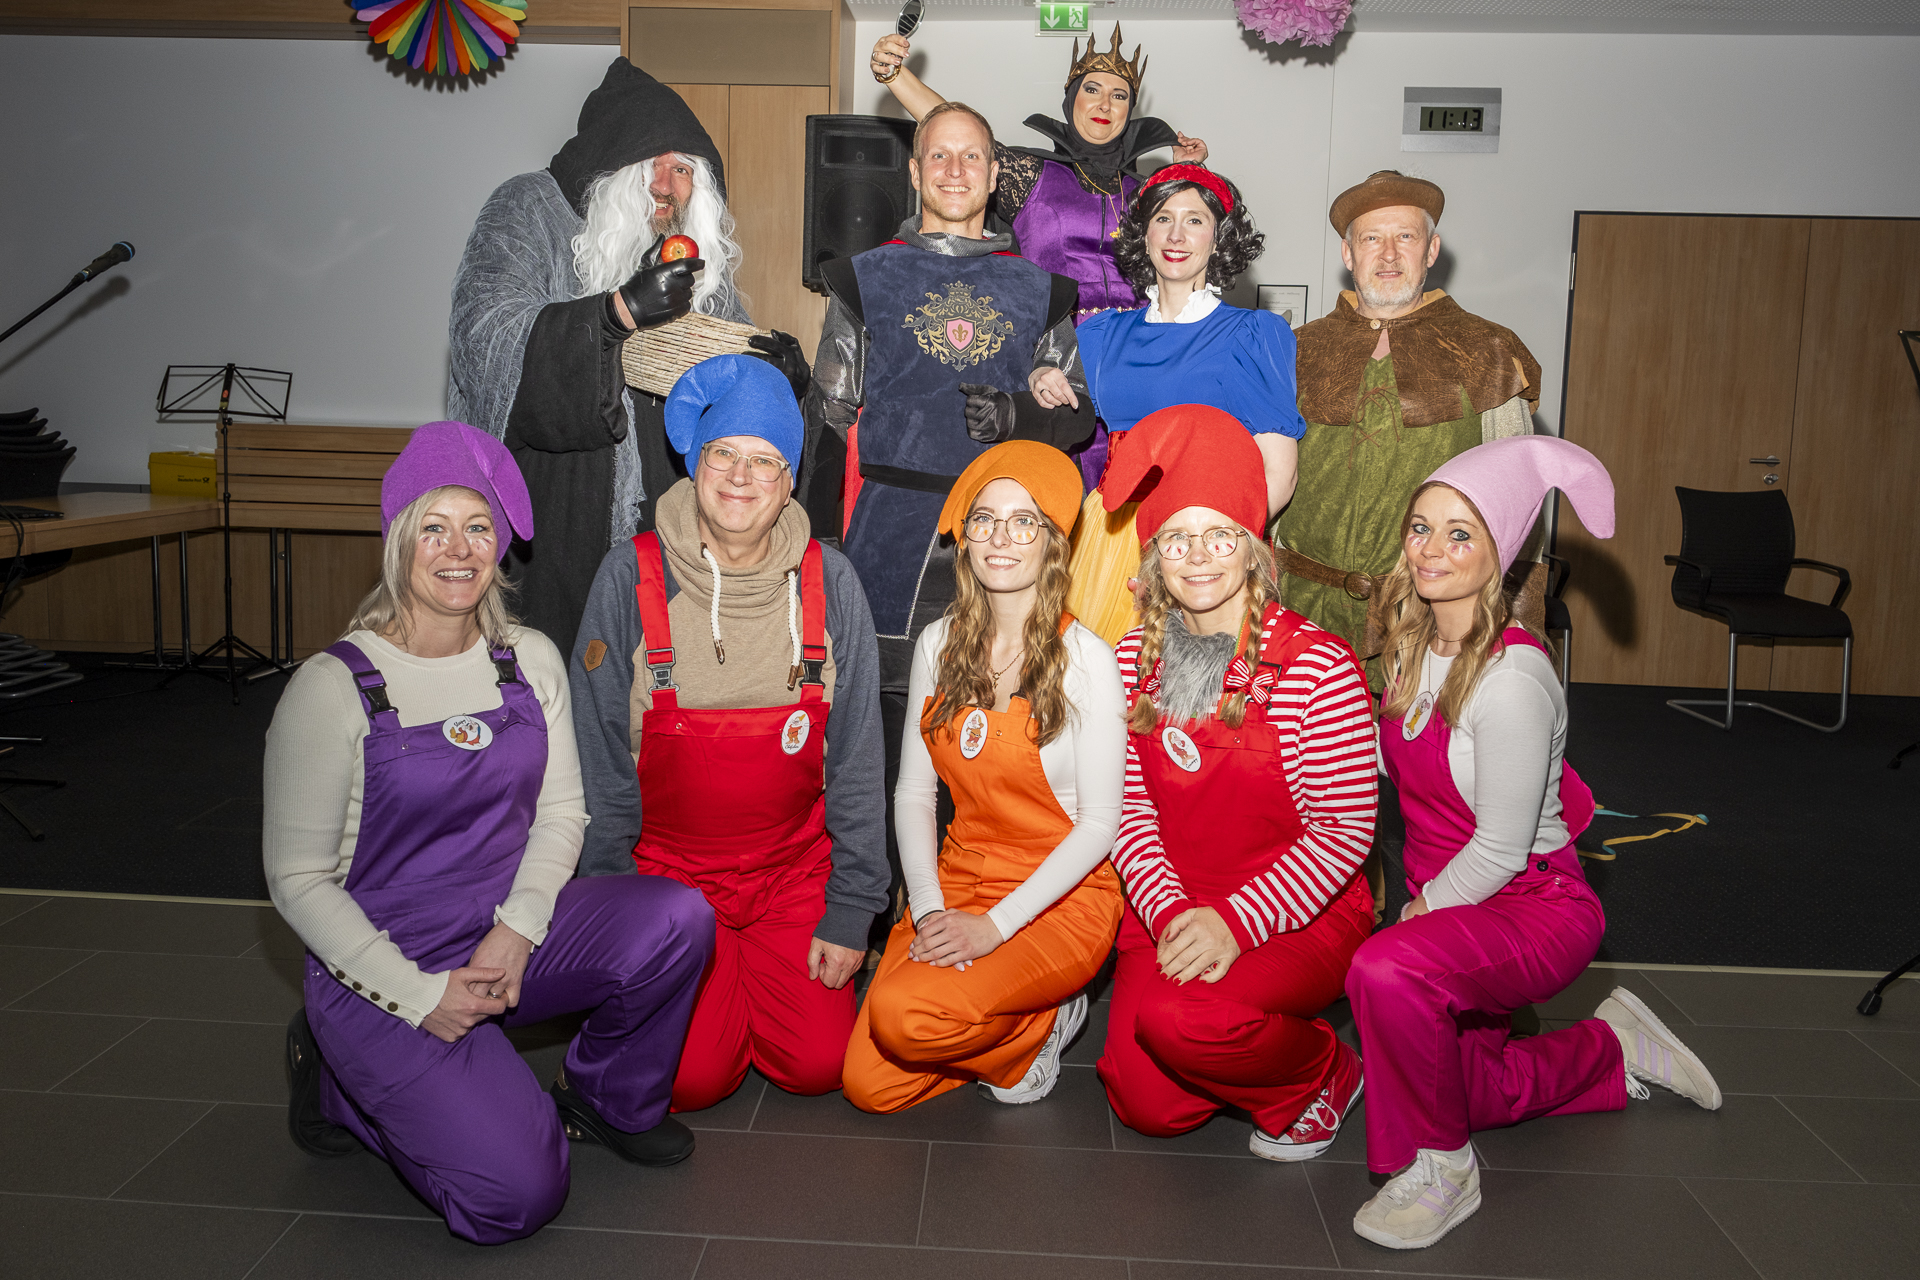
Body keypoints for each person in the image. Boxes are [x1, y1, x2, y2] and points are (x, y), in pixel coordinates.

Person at [266, 422, 714, 1245]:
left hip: (508, 930)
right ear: (400, 538)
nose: (458, 549)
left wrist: (516, 932)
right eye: (433, 527)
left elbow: (562, 814)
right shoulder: (330, 688)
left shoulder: (530, 660)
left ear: (500, 547)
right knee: (515, 1198)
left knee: (676, 919)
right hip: (384, 962)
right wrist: (419, 995)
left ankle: (608, 1098)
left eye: (478, 528)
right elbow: (297, 881)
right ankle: (339, 1081)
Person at [1346, 436, 1721, 1250]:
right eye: (1420, 527)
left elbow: (1502, 848)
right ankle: (1612, 1049)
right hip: (1459, 908)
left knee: (1384, 969)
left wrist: (1415, 917)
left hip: (1534, 906)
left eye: (1460, 533)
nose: (1431, 549)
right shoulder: (1413, 649)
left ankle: (1444, 1172)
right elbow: (1378, 766)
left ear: (1500, 551)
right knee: (1466, 1091)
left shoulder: (1513, 679)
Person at [569, 355, 888, 1112]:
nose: (741, 478)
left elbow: (858, 767)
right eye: (724, 455)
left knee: (820, 1065)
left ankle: (745, 988)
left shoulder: (830, 582)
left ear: (788, 483)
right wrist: (614, 912)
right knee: (692, 1083)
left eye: (765, 462)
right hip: (670, 885)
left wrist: (851, 912)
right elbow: (599, 763)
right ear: (694, 462)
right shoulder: (629, 576)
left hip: (792, 877)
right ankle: (701, 1005)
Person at [812, 101, 1092, 917]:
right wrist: (821, 546)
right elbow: (830, 421)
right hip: (891, 532)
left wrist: (1023, 417)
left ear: (995, 174)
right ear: (914, 169)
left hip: (1004, 539)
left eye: (973, 157)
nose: (956, 171)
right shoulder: (865, 278)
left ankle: (992, 899)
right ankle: (887, 903)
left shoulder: (1040, 291)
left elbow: (1076, 413)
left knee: (1000, 717)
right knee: (886, 718)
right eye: (940, 156)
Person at [448, 57, 810, 658]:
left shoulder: (691, 257)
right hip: (556, 520)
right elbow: (486, 343)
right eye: (655, 166)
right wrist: (614, 314)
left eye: (685, 169)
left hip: (672, 534)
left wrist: (775, 378)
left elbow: (727, 390)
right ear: (615, 167)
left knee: (661, 707)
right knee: (553, 700)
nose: (669, 186)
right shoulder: (529, 211)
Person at [1093, 405, 1377, 1158]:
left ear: (1254, 549)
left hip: (1301, 910)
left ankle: (1326, 1070)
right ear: (1154, 559)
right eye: (1177, 538)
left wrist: (1234, 923)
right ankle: (1248, 1039)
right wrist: (1173, 914)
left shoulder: (1319, 665)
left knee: (1183, 1026)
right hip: (1176, 904)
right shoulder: (1129, 660)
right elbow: (1127, 812)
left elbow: (1343, 832)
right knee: (1148, 1104)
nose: (1198, 557)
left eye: (1220, 535)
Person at [842, 441, 1124, 1112]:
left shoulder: (1088, 659)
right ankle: (1012, 1030)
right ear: (963, 539)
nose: (1001, 537)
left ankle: (1045, 1018)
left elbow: (1100, 825)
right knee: (869, 1084)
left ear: (1052, 543)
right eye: (985, 520)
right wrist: (933, 905)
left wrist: (995, 927)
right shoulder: (937, 645)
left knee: (907, 1019)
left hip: (1062, 893)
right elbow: (913, 793)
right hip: (961, 874)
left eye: (1023, 521)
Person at [869, 22, 1208, 485]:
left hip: (1137, 357)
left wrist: (1192, 175)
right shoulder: (1031, 175)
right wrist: (894, 76)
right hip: (1054, 360)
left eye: (1119, 95)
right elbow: (958, 135)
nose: (1105, 104)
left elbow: (1194, 250)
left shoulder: (1146, 192)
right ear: (1071, 101)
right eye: (1092, 89)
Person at [1275, 170, 1542, 679]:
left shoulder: (1490, 352)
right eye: (1372, 238)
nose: (1389, 254)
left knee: (1421, 757)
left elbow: (1519, 506)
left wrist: (1505, 621)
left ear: (1432, 249)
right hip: (1303, 616)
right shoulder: (1294, 350)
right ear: (1348, 254)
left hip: (1431, 621)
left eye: (1406, 237)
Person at [1064, 166, 1304, 645]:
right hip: (1111, 539)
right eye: (1162, 218)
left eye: (1194, 220)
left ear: (1219, 239)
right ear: (1144, 234)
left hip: (1208, 545)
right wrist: (1043, 372)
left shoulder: (1254, 335)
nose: (1176, 234)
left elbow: (1280, 474)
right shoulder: (1099, 334)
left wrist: (1209, 556)